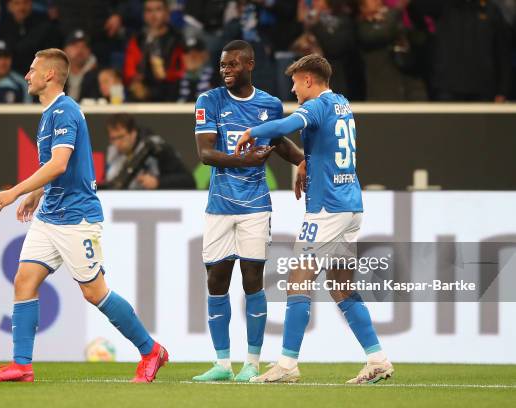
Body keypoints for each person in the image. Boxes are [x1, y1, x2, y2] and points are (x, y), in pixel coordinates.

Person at [0, 48, 168, 383]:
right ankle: (21, 365)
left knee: (95, 293)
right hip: (51, 214)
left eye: (33, 69)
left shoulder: (65, 111)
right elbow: (54, 169)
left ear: (50, 75)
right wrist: (37, 195)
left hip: (76, 217)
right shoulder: (50, 113)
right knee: (24, 280)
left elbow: (59, 164)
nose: (27, 75)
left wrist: (16, 192)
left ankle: (151, 350)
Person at [234, 54, 393, 384]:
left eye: (295, 81)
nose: (292, 88)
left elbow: (287, 125)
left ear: (309, 80)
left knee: (298, 278)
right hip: (351, 205)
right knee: (341, 287)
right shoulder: (342, 104)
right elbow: (329, 144)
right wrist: (306, 162)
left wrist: (253, 131)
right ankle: (377, 358)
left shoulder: (318, 105)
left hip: (327, 208)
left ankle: (288, 364)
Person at [193, 40, 304, 382]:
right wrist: (243, 159)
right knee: (216, 280)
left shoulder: (269, 104)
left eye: (232, 65)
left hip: (256, 205)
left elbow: (279, 143)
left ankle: (252, 363)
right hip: (220, 205)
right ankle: (222, 364)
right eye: (222, 65)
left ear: (250, 64)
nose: (225, 70)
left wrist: (302, 161)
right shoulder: (209, 101)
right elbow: (206, 153)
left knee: (253, 279)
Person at [102, 113, 195, 189]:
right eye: (113, 138)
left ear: (133, 133)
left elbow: (188, 181)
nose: (117, 143)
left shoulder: (157, 149)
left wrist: (158, 182)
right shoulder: (112, 152)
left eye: (121, 137)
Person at [123, 0, 185, 101]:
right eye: (149, 10)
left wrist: (166, 75)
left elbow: (182, 70)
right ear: (144, 15)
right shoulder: (137, 40)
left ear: (167, 13)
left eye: (158, 9)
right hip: (143, 94)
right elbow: (129, 71)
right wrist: (135, 81)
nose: (153, 15)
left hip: (171, 92)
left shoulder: (178, 39)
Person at [63, 29, 98, 101]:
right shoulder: (55, 74)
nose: (80, 50)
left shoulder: (98, 75)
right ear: (65, 50)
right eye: (75, 46)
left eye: (84, 46)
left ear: (89, 51)